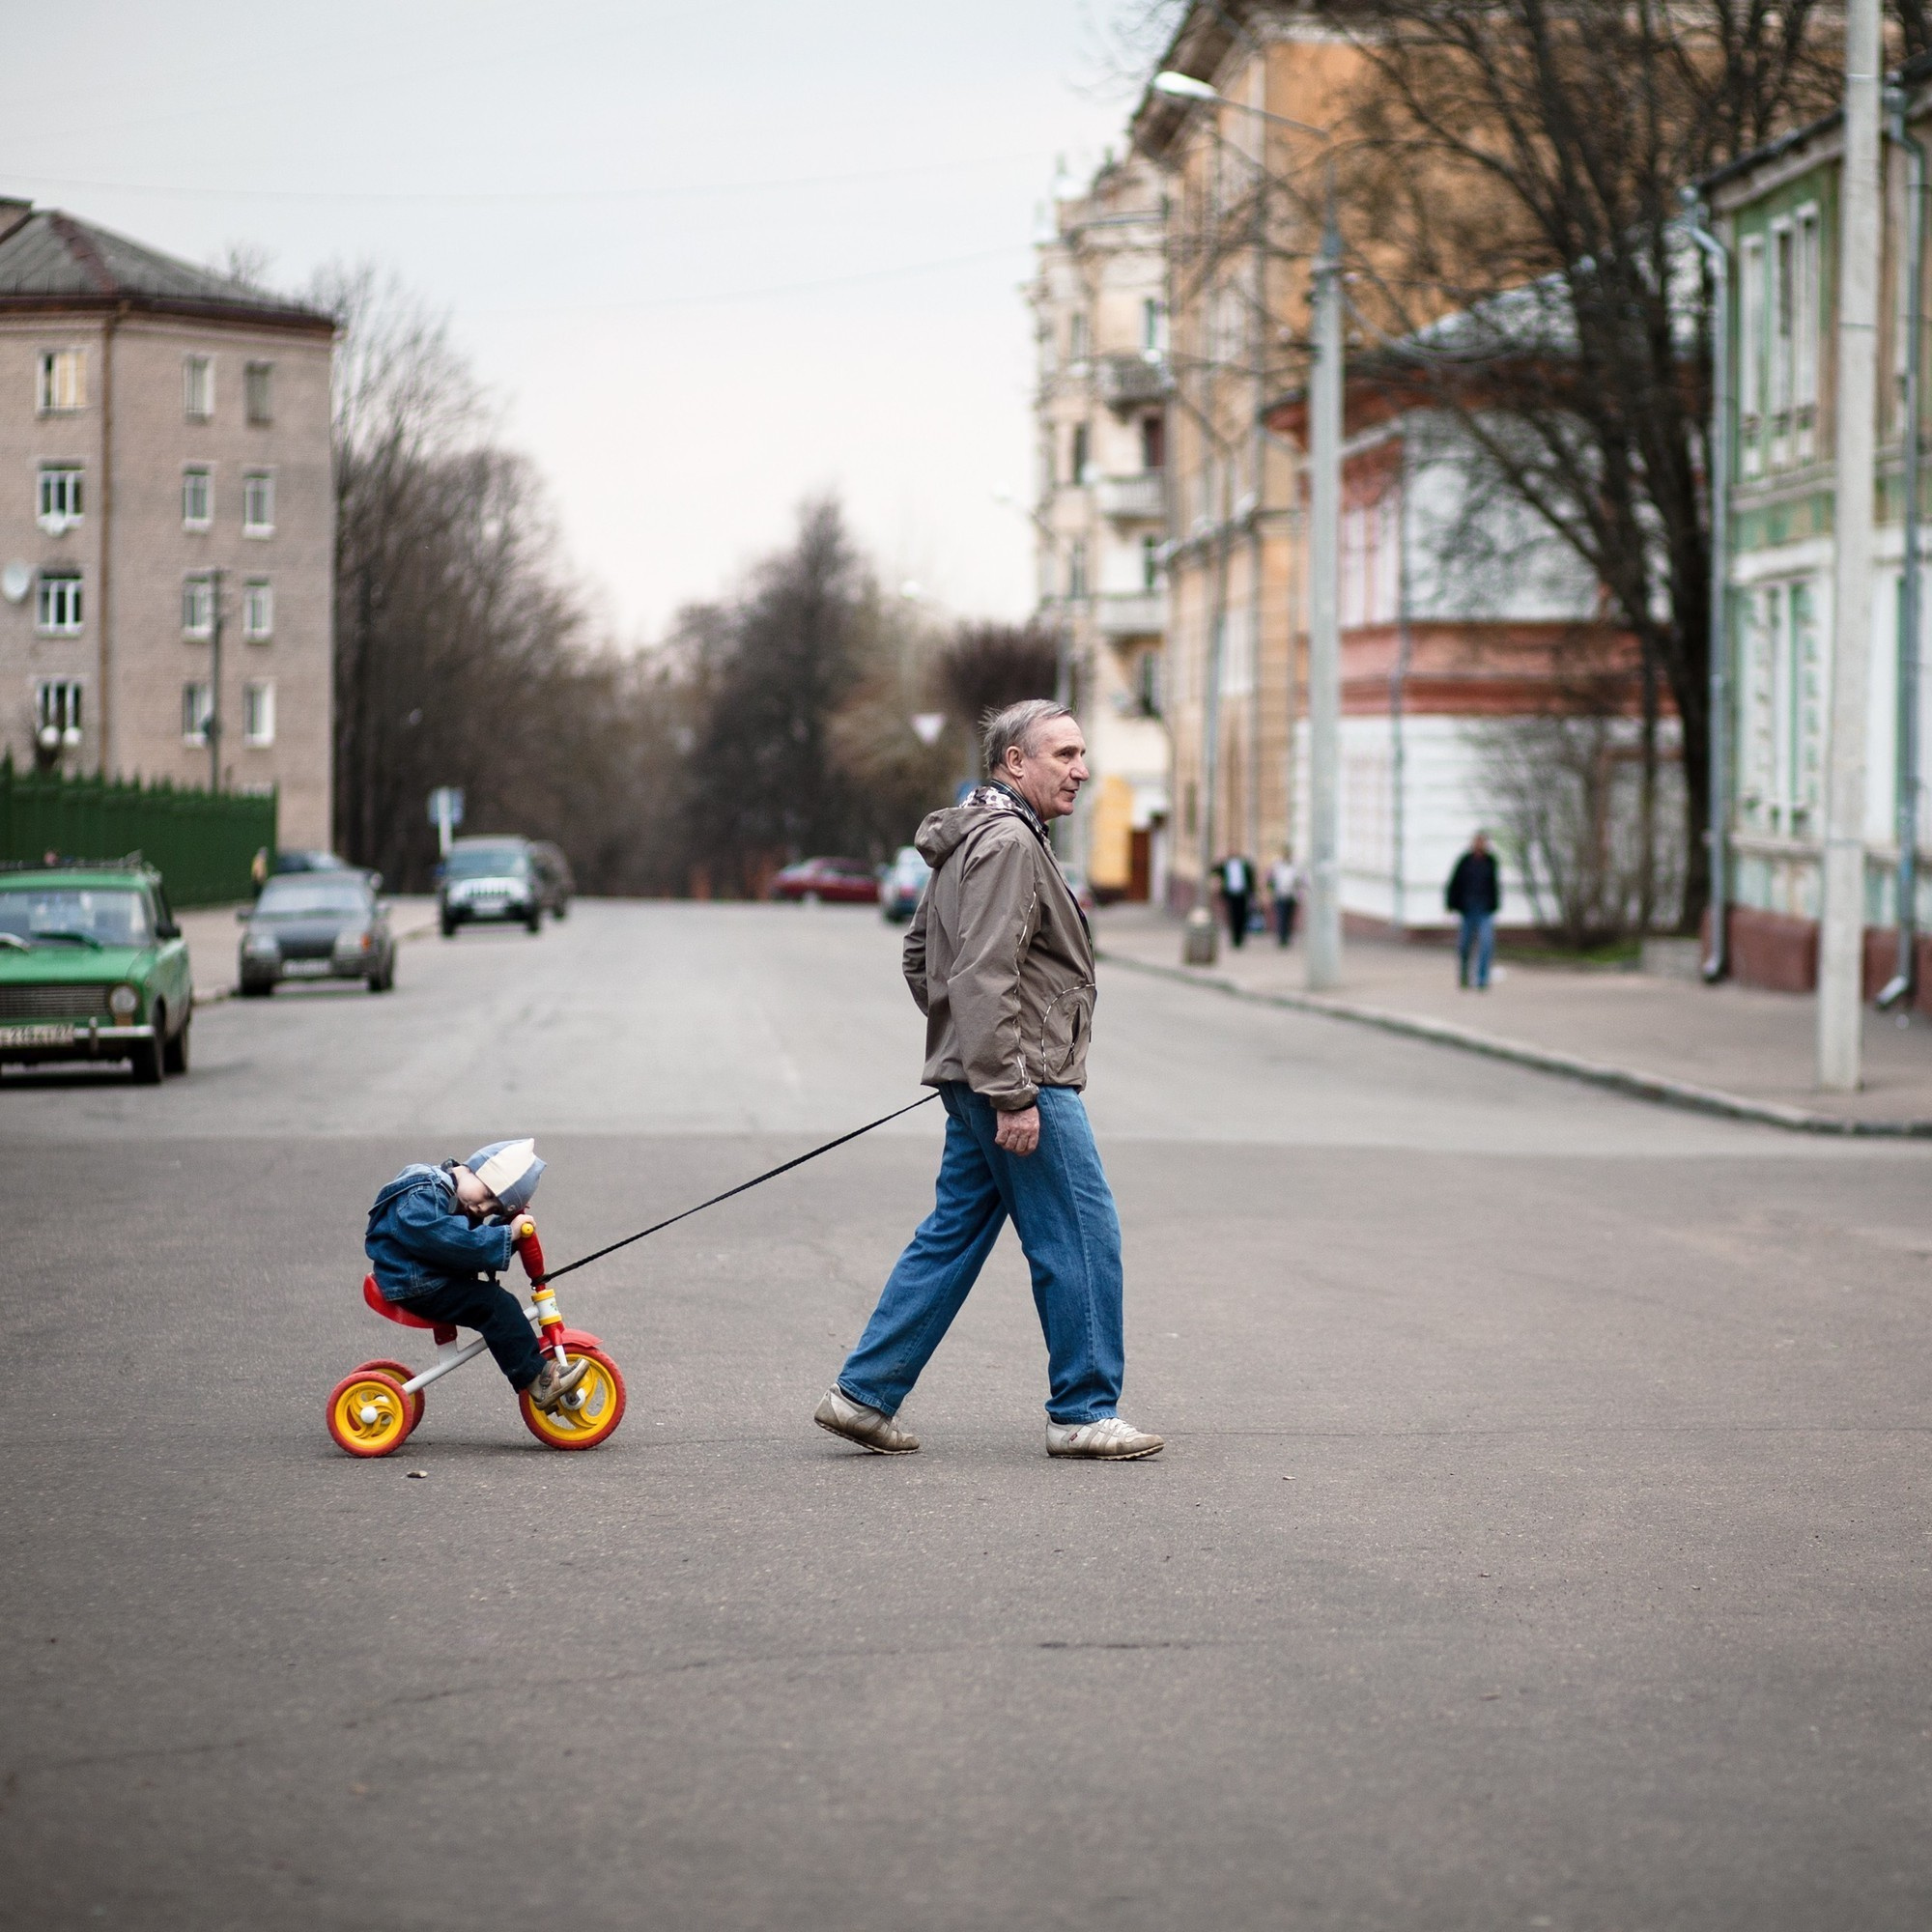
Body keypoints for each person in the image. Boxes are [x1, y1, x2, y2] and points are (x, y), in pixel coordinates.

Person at [815, 698, 1163, 1462]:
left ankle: (864, 1394)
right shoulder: (1008, 843)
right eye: (1064, 755)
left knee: (952, 1236)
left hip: (986, 1074)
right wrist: (1006, 1085)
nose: (1081, 768)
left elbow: (921, 960)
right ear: (1015, 762)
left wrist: (965, 1055)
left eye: (1082, 754)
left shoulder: (971, 836)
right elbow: (981, 974)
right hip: (1024, 1082)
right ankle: (1082, 1409)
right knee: (1079, 1236)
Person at [364, 1137, 586, 1411]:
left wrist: (509, 1228)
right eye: (490, 1195)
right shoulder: (424, 1193)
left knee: (495, 1301)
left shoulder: (451, 1193)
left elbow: (463, 1243)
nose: (484, 1208)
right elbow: (453, 1243)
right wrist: (506, 1234)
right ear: (473, 1169)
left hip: (426, 1276)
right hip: (415, 1283)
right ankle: (538, 1380)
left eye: (494, 1208)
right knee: (495, 1305)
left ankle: (537, 1374)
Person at [1445, 832, 1501, 990]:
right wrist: (1451, 904)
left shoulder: (1490, 862)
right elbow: (1455, 883)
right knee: (1464, 945)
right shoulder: (1465, 861)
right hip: (1468, 908)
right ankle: (1464, 976)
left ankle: (1482, 979)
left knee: (1486, 943)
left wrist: (1494, 905)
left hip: (1484, 908)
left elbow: (1494, 886)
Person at [1216, 852, 1255, 950]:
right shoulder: (1226, 866)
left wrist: (1252, 893)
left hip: (1242, 894)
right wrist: (1219, 860)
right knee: (1233, 916)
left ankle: (1240, 938)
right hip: (1231, 894)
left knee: (1242, 916)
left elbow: (1250, 878)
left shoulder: (1244, 866)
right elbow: (1215, 871)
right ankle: (1234, 938)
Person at [1267, 848, 1302, 949]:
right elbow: (1271, 880)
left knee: (1290, 918)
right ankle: (1282, 939)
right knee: (1281, 917)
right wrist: (1271, 892)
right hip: (1280, 895)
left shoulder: (1295, 866)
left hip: (1292, 895)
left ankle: (1287, 938)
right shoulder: (1277, 865)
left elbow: (1299, 880)